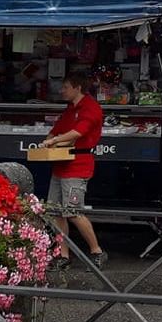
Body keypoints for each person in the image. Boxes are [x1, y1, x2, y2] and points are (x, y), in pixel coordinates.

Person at [45, 72, 107, 270]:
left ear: (77, 88)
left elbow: (78, 132)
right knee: (56, 212)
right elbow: (57, 129)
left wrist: (54, 140)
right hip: (61, 164)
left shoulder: (90, 108)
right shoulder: (70, 109)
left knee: (73, 211)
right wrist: (50, 138)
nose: (61, 91)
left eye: (65, 87)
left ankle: (97, 251)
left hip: (78, 164)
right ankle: (63, 254)